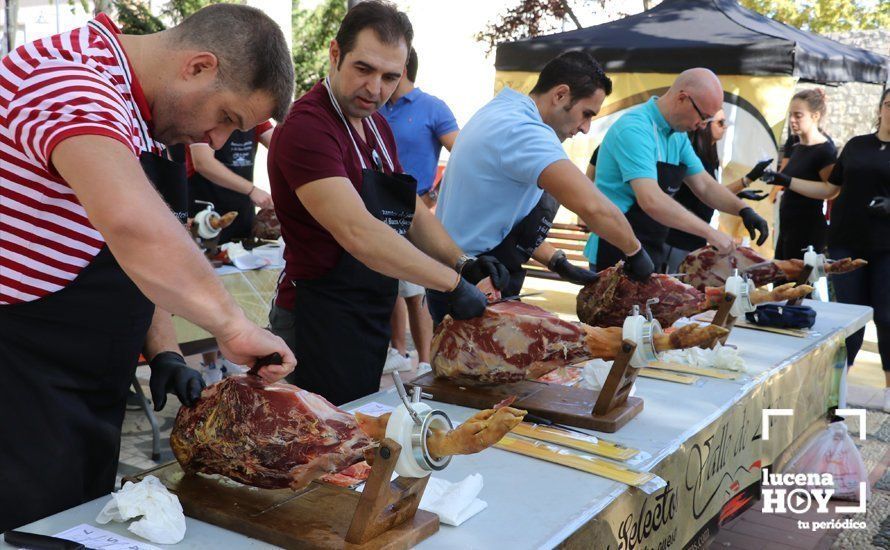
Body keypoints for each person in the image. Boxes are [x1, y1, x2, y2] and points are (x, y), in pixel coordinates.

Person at [0, 5, 297, 531]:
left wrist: (164, 350)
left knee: (74, 526)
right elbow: (132, 224)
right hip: (22, 381)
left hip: (88, 384)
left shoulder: (138, 112)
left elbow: (122, 254)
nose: (218, 142)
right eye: (227, 117)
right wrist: (231, 324)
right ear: (199, 67)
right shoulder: (69, 78)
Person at [267, 1, 506, 405]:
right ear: (335, 53)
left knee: (358, 430)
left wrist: (461, 261)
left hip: (367, 310)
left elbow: (406, 209)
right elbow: (358, 232)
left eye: (390, 77)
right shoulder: (308, 126)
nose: (375, 89)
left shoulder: (376, 124)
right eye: (364, 69)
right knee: (325, 451)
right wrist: (452, 284)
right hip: (318, 314)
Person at [433, 51, 653, 323]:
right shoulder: (525, 131)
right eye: (586, 114)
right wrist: (636, 252)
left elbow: (496, 217)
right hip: (473, 282)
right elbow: (593, 207)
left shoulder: (503, 108)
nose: (585, 128)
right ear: (560, 95)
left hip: (467, 271)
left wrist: (556, 261)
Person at [759, 89, 890, 411]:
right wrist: (786, 181)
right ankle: (838, 388)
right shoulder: (857, 145)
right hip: (846, 241)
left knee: (886, 317)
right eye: (889, 104)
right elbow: (831, 188)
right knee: (847, 317)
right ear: (881, 108)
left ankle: (888, 390)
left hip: (887, 247)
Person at [583, 68, 769, 272]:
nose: (702, 126)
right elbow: (651, 200)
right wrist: (710, 233)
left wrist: (744, 210)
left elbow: (705, 185)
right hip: (614, 250)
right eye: (703, 117)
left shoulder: (677, 136)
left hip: (649, 248)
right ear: (683, 98)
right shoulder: (635, 129)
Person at [380, 47, 458, 373]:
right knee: (390, 287)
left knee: (416, 290)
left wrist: (433, 195)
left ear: (402, 66)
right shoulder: (375, 107)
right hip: (378, 211)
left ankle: (425, 360)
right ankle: (398, 351)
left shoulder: (432, 108)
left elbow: (464, 156)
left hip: (415, 214)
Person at [186, 122, 276, 382]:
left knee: (237, 288)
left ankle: (232, 353)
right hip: (206, 210)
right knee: (207, 288)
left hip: (241, 213)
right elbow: (202, 162)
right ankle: (210, 363)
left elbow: (278, 143)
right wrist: (251, 189)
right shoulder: (208, 115)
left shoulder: (255, 117)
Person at [662, 109, 773, 272]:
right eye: (720, 122)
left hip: (696, 236)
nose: (725, 127)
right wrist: (746, 181)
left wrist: (739, 200)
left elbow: (713, 191)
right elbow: (704, 191)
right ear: (704, 125)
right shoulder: (693, 153)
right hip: (679, 237)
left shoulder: (711, 155)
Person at [758, 89, 837, 260]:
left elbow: (830, 190)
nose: (792, 120)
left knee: (798, 284)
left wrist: (787, 180)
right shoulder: (795, 144)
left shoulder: (824, 150)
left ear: (815, 116)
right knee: (781, 282)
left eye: (798, 115)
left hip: (807, 227)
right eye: (791, 115)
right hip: (788, 224)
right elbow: (785, 177)